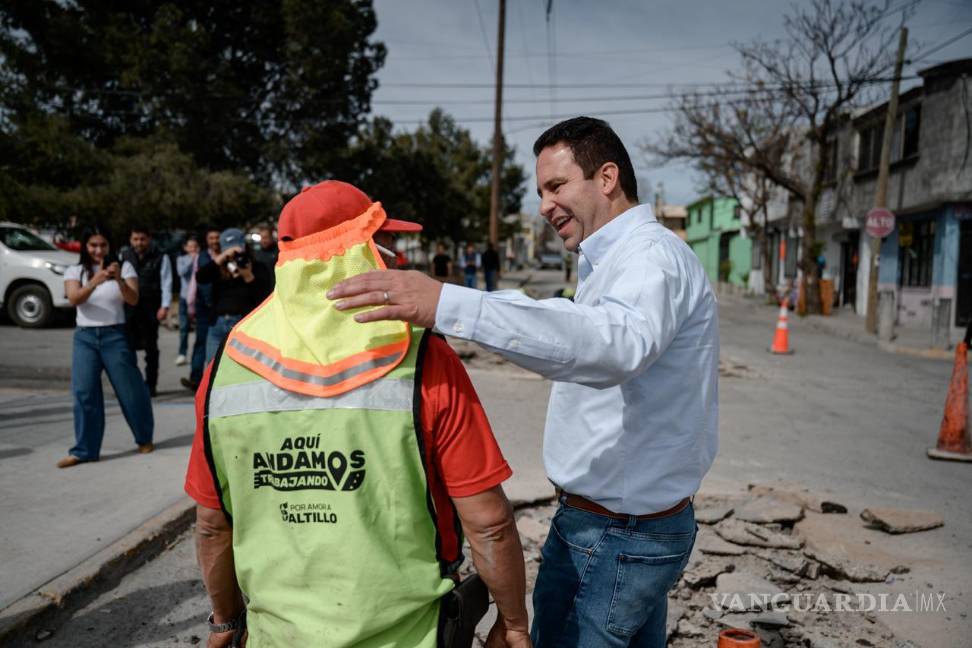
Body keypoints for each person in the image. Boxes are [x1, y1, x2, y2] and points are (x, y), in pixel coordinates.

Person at [327, 116, 719, 647]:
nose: (544, 205)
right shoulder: (616, 260)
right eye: (539, 191)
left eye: (556, 186)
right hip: (621, 527)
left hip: (616, 533)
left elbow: (612, 345)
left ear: (606, 178)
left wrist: (448, 302)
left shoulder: (648, 257)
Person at [185, 180, 530, 648]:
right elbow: (488, 522)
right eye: (382, 241)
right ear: (354, 254)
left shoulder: (227, 365)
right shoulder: (423, 358)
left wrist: (226, 621)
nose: (394, 256)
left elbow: (212, 523)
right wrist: (512, 621)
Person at [58, 224, 155, 468]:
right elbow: (74, 299)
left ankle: (144, 437)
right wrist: (95, 280)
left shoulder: (125, 266)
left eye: (103, 245)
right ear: (85, 246)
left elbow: (133, 299)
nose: (98, 250)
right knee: (84, 392)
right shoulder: (75, 270)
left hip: (115, 335)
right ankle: (84, 450)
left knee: (130, 390)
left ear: (110, 245)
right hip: (85, 337)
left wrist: (119, 278)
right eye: (93, 245)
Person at [195, 227, 272, 364]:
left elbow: (264, 297)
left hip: (244, 325)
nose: (233, 256)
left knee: (242, 367)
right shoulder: (219, 268)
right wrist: (221, 258)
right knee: (211, 368)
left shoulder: (257, 267)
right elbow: (200, 277)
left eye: (237, 251)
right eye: (229, 251)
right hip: (217, 325)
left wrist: (248, 276)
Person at [119, 225, 172, 397]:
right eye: (135, 239)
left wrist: (164, 306)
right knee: (128, 349)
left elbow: (166, 282)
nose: (139, 243)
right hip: (129, 309)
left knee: (151, 349)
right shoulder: (124, 256)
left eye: (142, 239)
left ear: (148, 239)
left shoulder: (160, 256)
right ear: (130, 239)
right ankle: (133, 385)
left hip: (151, 307)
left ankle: (151, 386)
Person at [181, 227, 221, 391]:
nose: (214, 241)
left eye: (217, 237)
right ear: (207, 239)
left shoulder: (228, 255)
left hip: (221, 306)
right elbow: (194, 282)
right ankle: (196, 379)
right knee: (200, 342)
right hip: (203, 307)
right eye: (211, 237)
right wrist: (190, 305)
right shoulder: (201, 256)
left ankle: (216, 379)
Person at [175, 236, 201, 366]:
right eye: (190, 247)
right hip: (185, 297)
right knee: (184, 328)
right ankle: (182, 353)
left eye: (195, 247)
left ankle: (197, 356)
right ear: (185, 248)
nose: (193, 249)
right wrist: (192, 260)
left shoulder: (201, 259)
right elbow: (181, 272)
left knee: (200, 329)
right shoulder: (181, 259)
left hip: (198, 298)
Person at [251, 223, 279, 288]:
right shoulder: (256, 254)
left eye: (265, 238)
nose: (263, 241)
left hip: (276, 288)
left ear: (271, 237)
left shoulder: (278, 251)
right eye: (261, 238)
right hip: (263, 290)